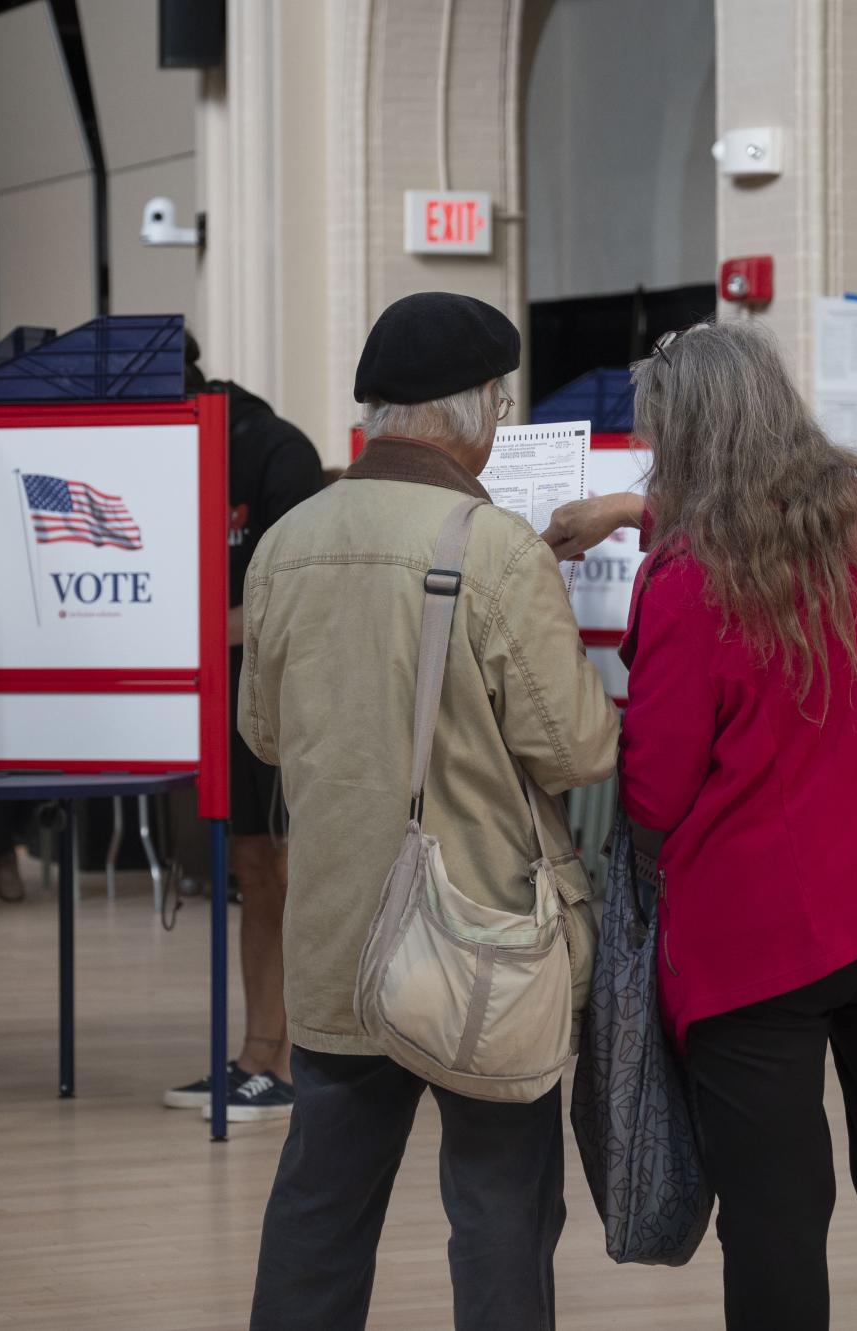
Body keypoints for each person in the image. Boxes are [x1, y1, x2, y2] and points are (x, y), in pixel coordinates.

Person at [548, 322, 857, 1330]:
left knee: (777, 1211)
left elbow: (657, 793)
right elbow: (758, 508)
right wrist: (635, 510)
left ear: (675, 432)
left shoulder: (682, 580)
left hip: (769, 936)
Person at [239, 292, 618, 1330]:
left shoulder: (285, 543)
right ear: (479, 412)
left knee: (321, 1205)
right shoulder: (494, 547)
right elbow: (578, 748)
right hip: (479, 939)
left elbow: (264, 732)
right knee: (500, 1206)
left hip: (337, 933)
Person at [163, 334, 325, 1123]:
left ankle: (290, 1060)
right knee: (253, 872)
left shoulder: (275, 451)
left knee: (287, 874)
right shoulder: (169, 450)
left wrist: (174, 634)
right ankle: (255, 1055)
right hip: (217, 690)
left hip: (280, 694)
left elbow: (287, 601)